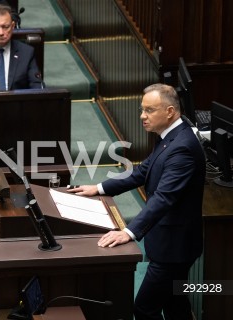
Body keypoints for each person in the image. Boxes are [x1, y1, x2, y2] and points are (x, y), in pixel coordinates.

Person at [69, 84, 205, 320]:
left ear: (170, 111)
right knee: (175, 302)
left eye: (149, 110)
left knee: (144, 308)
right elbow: (142, 172)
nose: (142, 116)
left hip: (173, 248)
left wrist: (129, 232)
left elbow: (164, 197)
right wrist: (99, 188)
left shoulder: (182, 147)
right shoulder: (169, 137)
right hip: (170, 242)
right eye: (142, 110)